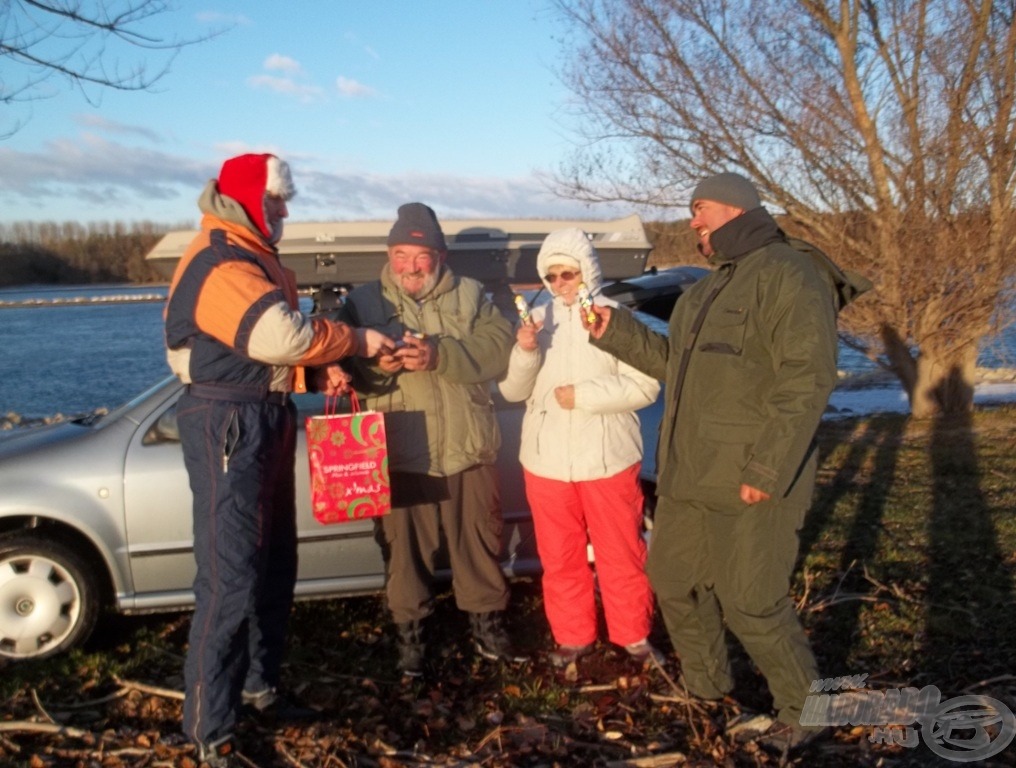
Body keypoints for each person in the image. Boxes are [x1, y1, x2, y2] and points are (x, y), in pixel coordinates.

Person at [583, 173, 869, 755]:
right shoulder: (708, 288)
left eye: (700, 209)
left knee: (751, 598)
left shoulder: (791, 274)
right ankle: (707, 687)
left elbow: (806, 379)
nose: (693, 222)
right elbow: (676, 366)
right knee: (672, 579)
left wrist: (768, 469)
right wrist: (618, 331)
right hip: (689, 472)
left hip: (751, 475)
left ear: (736, 210)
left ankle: (805, 709)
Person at [164, 153, 391, 767]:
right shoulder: (220, 259)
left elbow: (273, 349)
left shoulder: (248, 253)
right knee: (230, 575)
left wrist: (321, 365)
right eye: (277, 201)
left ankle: (259, 687)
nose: (286, 211)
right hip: (227, 421)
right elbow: (279, 335)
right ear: (247, 200)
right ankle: (209, 728)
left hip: (260, 414)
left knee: (272, 565)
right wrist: (356, 340)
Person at [338, 202, 523, 677]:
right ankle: (411, 640)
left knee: (479, 545)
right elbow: (338, 366)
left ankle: (487, 629)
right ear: (388, 254)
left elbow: (498, 350)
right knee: (404, 555)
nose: (409, 266)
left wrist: (440, 355)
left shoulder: (473, 295)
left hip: (468, 445)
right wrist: (372, 364)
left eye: (419, 255)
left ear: (440, 256)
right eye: (400, 254)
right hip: (400, 448)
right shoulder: (362, 303)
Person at [497, 228, 663, 669]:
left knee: (622, 551)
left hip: (608, 458)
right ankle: (573, 637)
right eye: (550, 275)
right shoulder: (537, 320)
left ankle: (634, 635)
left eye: (567, 272)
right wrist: (525, 350)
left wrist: (586, 396)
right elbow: (513, 391)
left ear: (586, 270)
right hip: (545, 462)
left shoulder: (613, 318)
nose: (559, 283)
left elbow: (646, 385)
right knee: (560, 557)